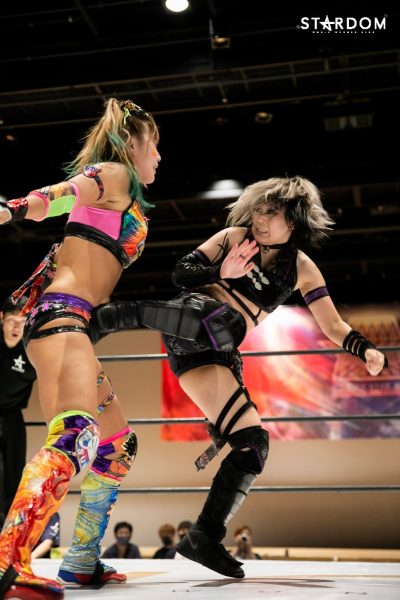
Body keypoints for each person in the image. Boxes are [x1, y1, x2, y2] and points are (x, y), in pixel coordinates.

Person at [90, 175, 388, 579]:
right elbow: (181, 273)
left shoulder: (302, 268)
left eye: (271, 213)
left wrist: (366, 350)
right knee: (227, 321)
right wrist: (220, 271)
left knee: (253, 443)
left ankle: (204, 536)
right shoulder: (233, 237)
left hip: (217, 354)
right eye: (258, 210)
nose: (260, 219)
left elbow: (333, 325)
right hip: (189, 322)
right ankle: (116, 316)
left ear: (293, 221)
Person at [0, 97, 161, 598]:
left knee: (117, 445)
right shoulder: (114, 174)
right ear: (132, 143)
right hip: (61, 316)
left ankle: (82, 560)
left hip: (74, 323)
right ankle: (8, 561)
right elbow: (61, 194)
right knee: (76, 435)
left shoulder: (124, 195)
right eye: (155, 145)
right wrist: (11, 209)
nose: (159, 157)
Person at [0, 295, 36, 528]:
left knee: (14, 476)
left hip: (14, 417)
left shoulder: (32, 349)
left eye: (22, 322)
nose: (16, 327)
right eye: (12, 320)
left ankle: (8, 535)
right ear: (2, 318)